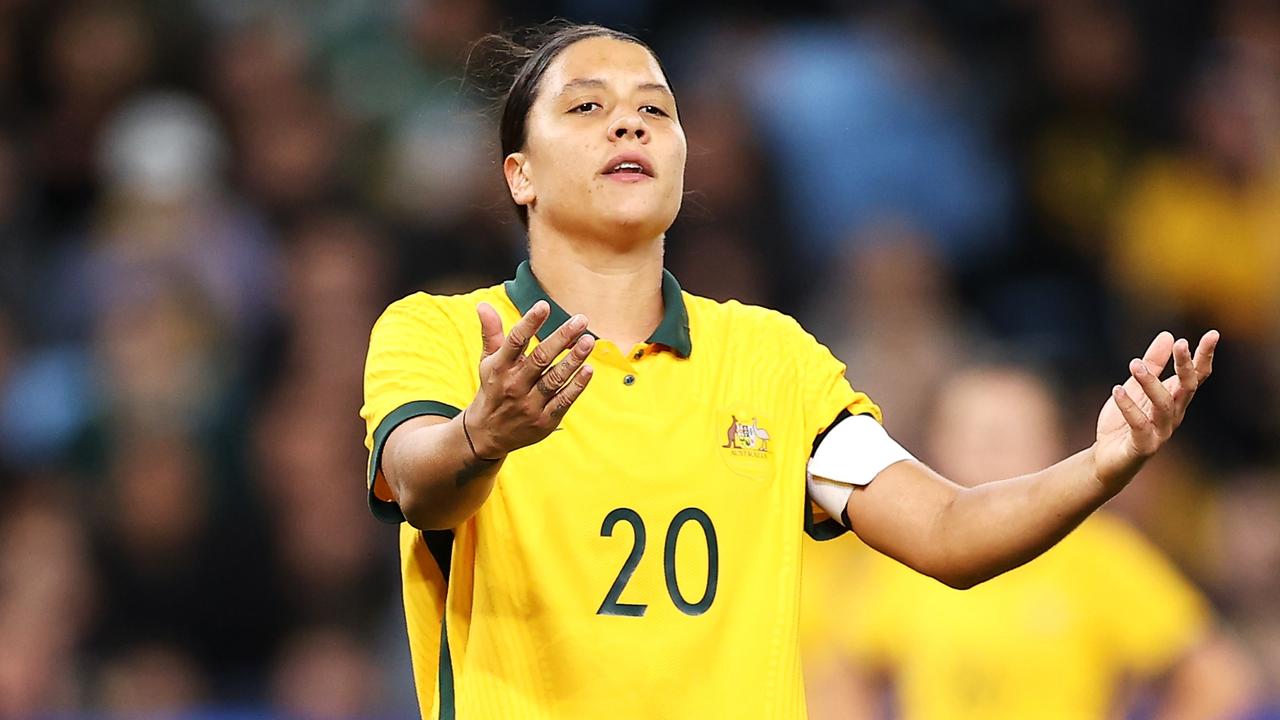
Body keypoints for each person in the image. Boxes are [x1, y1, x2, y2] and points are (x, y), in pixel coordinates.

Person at [359, 22, 1219, 719]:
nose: (629, 124)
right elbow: (421, 485)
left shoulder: (776, 362)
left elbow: (949, 533)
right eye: (586, 107)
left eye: (656, 111)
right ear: (521, 175)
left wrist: (1102, 465)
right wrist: (484, 433)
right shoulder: (441, 332)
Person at [801, 364, 1258, 720]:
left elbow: (1219, 677)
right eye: (976, 436)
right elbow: (837, 677)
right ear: (934, 447)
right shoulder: (903, 553)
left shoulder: (1099, 554)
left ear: (1054, 446)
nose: (991, 453)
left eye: (1009, 435)